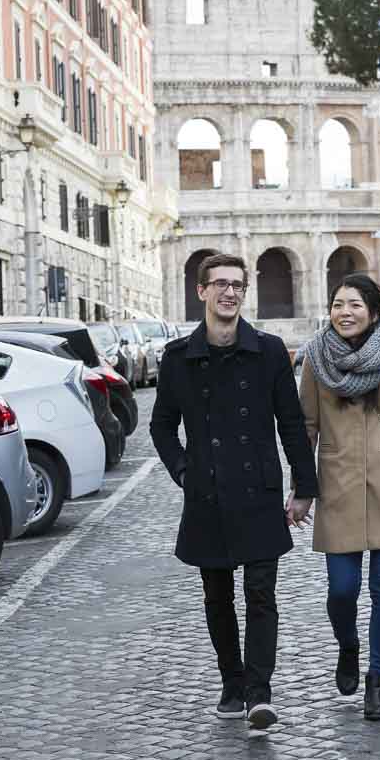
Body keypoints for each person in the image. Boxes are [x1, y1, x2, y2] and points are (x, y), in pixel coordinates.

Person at [150, 253, 318, 730]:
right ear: (201, 291)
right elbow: (162, 426)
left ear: (245, 293)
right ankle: (232, 682)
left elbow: (291, 423)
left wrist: (304, 486)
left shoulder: (268, 351)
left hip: (259, 490)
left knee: (261, 595)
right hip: (207, 494)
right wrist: (184, 471)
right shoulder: (179, 358)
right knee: (217, 596)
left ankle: (259, 694)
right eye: (220, 284)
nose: (229, 293)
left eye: (238, 286)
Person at [294, 272, 380, 721]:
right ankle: (348, 645)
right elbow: (306, 428)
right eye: (338, 304)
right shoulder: (316, 359)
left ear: (373, 311)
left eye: (354, 304)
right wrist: (301, 489)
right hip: (338, 484)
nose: (345, 312)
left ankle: (378, 680)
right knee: (342, 589)